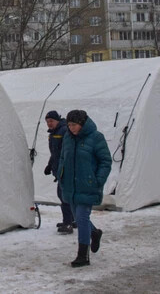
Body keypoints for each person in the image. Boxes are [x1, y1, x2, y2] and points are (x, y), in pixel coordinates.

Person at [57, 109, 112, 268]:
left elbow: (105, 162)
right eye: (69, 125)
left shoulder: (96, 138)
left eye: (74, 124)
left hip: (86, 185)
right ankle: (94, 232)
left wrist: (97, 180)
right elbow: (63, 157)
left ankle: (83, 255)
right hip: (70, 185)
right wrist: (61, 174)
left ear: (82, 123)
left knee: (81, 217)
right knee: (80, 218)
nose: (71, 128)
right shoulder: (68, 137)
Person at [42, 110, 74, 234]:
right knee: (65, 196)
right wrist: (50, 165)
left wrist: (63, 168)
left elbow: (65, 153)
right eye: (47, 121)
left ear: (57, 120)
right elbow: (55, 153)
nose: (49, 123)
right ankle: (71, 220)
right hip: (59, 169)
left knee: (63, 196)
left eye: (51, 121)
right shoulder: (54, 133)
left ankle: (68, 223)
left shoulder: (64, 131)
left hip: (65, 170)